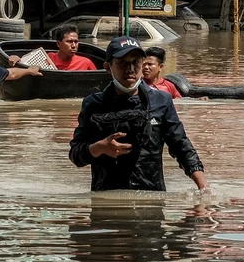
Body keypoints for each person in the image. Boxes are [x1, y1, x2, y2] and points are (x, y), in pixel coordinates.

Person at [69, 37, 208, 192]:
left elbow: (181, 146)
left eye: (135, 62)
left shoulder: (161, 100)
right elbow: (76, 155)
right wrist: (99, 148)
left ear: (142, 65)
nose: (130, 69)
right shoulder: (93, 104)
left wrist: (203, 188)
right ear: (108, 67)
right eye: (122, 63)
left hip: (151, 199)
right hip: (107, 202)